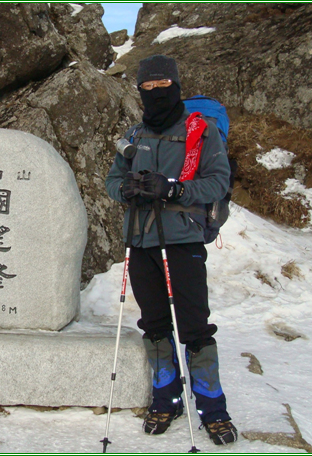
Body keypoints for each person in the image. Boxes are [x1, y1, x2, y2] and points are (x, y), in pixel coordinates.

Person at [105, 55, 238, 445]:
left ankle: (213, 408)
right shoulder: (134, 135)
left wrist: (175, 190)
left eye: (163, 86)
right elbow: (113, 179)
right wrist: (124, 189)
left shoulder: (202, 131)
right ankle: (167, 398)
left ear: (176, 86)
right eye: (147, 88)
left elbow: (218, 182)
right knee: (155, 322)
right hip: (141, 240)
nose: (155, 94)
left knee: (194, 324)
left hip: (183, 240)